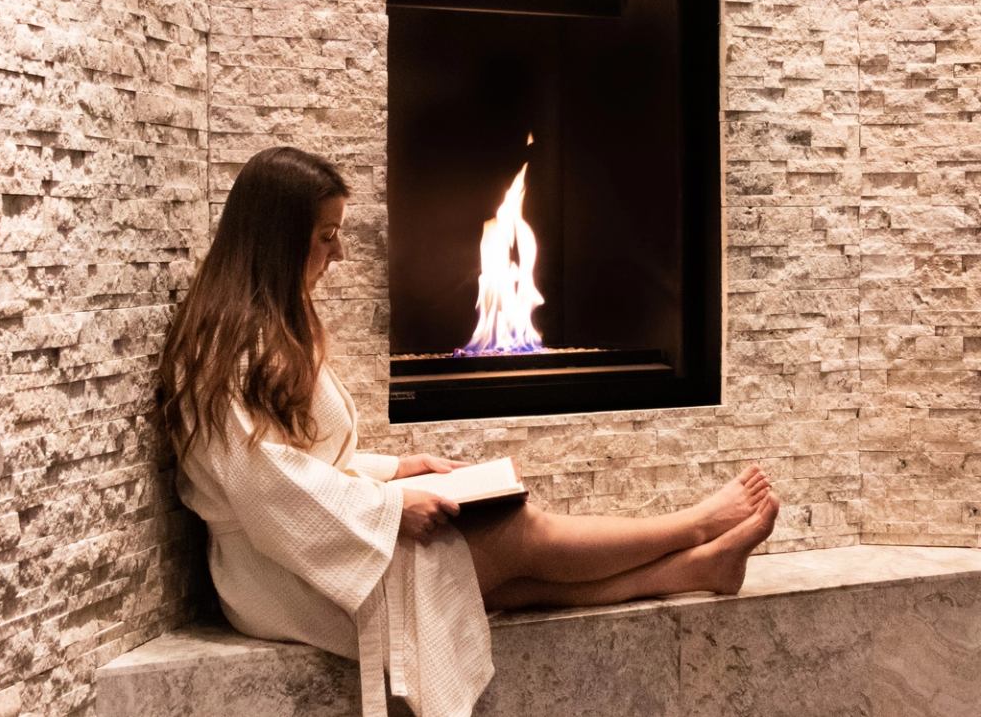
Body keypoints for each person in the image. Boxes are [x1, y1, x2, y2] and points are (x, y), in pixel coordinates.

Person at [159, 146, 780, 717]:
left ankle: (696, 570)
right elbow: (267, 487)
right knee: (517, 532)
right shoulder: (223, 347)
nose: (340, 254)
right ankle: (694, 527)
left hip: (313, 536)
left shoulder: (270, 323)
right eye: (327, 237)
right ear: (278, 240)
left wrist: (397, 469)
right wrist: (391, 506)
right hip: (279, 575)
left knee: (507, 575)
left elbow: (302, 460)